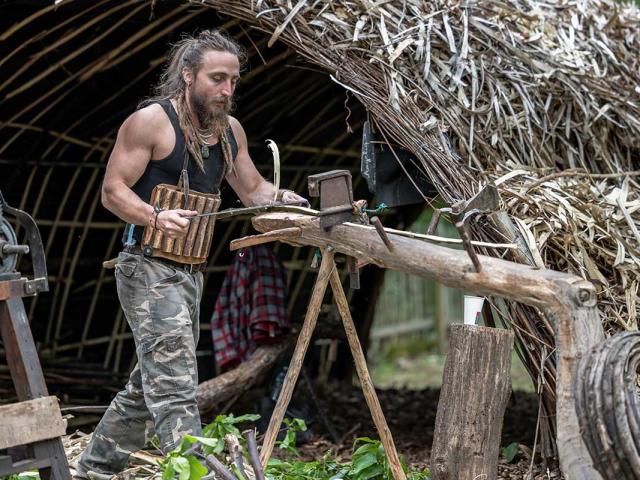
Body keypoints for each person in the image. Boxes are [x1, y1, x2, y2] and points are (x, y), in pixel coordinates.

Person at [76, 30, 307, 479]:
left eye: (233, 80)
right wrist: (154, 217)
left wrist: (287, 200)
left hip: (189, 272)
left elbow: (253, 190)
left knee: (150, 385)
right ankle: (195, 471)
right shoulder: (150, 123)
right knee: (176, 382)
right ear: (187, 75)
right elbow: (112, 191)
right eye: (216, 78)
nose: (226, 90)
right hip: (145, 267)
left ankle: (91, 470)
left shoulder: (229, 132)